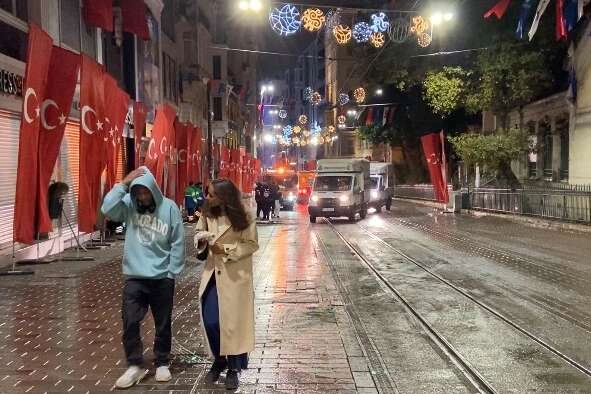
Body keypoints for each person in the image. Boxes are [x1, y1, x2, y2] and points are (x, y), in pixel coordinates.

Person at [101, 167, 186, 389]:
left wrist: (171, 272)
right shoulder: (129, 207)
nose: (142, 196)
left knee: (163, 322)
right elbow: (107, 207)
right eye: (138, 192)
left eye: (145, 192)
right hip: (135, 276)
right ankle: (134, 365)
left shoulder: (169, 208)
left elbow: (177, 240)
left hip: (162, 277)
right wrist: (125, 182)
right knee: (129, 321)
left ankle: (162, 362)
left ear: (153, 190)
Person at [194, 179, 259, 391]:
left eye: (212, 195)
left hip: (235, 276)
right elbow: (198, 233)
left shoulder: (245, 215)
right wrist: (202, 239)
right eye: (208, 194)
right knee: (211, 320)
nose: (208, 198)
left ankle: (233, 367)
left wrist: (228, 249)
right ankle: (219, 358)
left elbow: (251, 244)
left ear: (225, 196)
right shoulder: (207, 212)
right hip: (213, 273)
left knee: (233, 323)